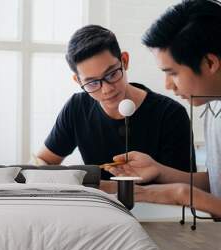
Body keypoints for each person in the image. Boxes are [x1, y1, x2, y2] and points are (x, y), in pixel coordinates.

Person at [106, 0, 221, 217]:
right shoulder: (212, 104)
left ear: (210, 63)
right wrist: (159, 171)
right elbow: (215, 182)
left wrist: (181, 194)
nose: (168, 85)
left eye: (173, 73)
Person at [36, 24, 196, 180]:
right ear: (78, 81)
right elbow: (43, 161)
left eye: (112, 74)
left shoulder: (170, 114)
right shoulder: (76, 108)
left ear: (124, 61)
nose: (106, 90)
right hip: (98, 206)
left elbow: (187, 188)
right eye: (92, 83)